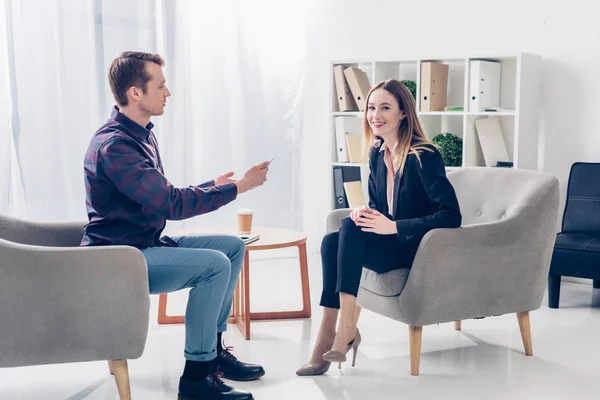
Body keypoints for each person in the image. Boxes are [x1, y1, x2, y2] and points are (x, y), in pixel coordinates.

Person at [81, 51, 267, 400]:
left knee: (232, 246)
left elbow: (161, 194)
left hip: (146, 244)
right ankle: (197, 379)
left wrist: (214, 185)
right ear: (135, 92)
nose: (168, 92)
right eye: (161, 85)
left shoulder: (140, 134)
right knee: (214, 266)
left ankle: (213, 354)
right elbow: (172, 203)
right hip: (119, 260)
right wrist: (238, 187)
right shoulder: (115, 147)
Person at [296, 79, 462, 376]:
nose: (376, 115)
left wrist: (395, 228)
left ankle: (344, 331)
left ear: (403, 114)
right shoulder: (377, 152)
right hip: (390, 245)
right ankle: (332, 330)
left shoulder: (424, 156)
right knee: (333, 240)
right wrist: (367, 214)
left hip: (417, 248)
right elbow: (381, 208)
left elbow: (451, 215)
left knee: (346, 230)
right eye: (371, 107)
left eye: (385, 107)